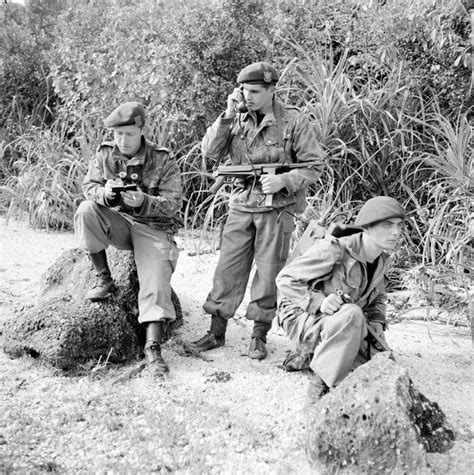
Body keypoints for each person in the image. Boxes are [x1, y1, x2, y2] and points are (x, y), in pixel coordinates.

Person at [191, 61, 326, 360]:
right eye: (243, 90)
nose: (247, 96)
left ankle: (258, 336)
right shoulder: (235, 118)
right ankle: (216, 331)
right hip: (241, 204)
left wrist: (284, 180)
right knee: (227, 268)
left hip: (277, 211)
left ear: (271, 90)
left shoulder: (293, 121)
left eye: (254, 91)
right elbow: (209, 152)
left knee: (268, 273)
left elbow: (315, 165)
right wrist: (228, 114)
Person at [74, 101, 182, 376]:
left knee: (156, 276)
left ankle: (152, 348)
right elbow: (89, 186)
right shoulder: (105, 154)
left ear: (141, 130)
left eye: (129, 135)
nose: (122, 141)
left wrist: (144, 200)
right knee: (86, 210)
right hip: (119, 223)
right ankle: (104, 279)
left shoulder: (162, 158)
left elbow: (173, 204)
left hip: (153, 226)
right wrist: (105, 196)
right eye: (117, 135)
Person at [276, 196, 406, 403]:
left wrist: (377, 320)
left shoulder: (381, 259)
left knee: (384, 364)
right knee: (352, 315)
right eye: (387, 225)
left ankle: (310, 357)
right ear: (367, 228)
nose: (395, 232)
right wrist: (319, 302)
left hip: (340, 322)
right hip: (302, 317)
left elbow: (378, 296)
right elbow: (285, 279)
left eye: (399, 226)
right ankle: (319, 389)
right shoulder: (335, 249)